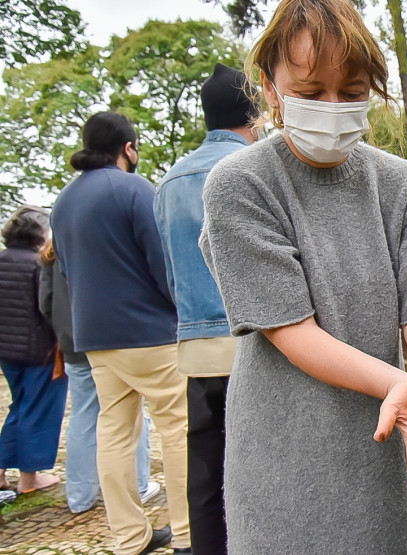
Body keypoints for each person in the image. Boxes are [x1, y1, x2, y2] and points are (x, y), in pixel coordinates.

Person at [197, 0, 407, 551]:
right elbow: (292, 332)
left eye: (352, 93)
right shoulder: (240, 183)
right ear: (270, 86)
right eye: (310, 93)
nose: (332, 107)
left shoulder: (401, 184)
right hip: (280, 453)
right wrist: (401, 383)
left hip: (381, 447)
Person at [51, 111, 190, 554]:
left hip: (93, 335)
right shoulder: (134, 188)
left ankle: (129, 537)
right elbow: (161, 262)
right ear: (128, 148)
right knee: (178, 425)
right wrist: (180, 308)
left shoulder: (62, 202)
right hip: (147, 332)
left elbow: (67, 272)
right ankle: (188, 532)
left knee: (113, 429)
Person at [154, 62, 258, 555]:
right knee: (263, 466)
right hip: (254, 341)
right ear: (254, 112)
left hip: (195, 343)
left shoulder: (169, 181)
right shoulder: (256, 166)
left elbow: (167, 271)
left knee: (204, 473)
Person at [37, 240, 158, 514]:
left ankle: (79, 496)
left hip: (74, 343)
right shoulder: (98, 244)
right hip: (112, 338)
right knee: (128, 413)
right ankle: (138, 485)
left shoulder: (51, 252)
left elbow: (45, 302)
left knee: (83, 417)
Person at [0, 206, 68, 494]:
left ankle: (1, 472)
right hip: (40, 351)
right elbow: (47, 308)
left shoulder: (2, 260)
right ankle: (29, 479)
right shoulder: (38, 264)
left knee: (18, 406)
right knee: (40, 411)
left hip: (6, 350)